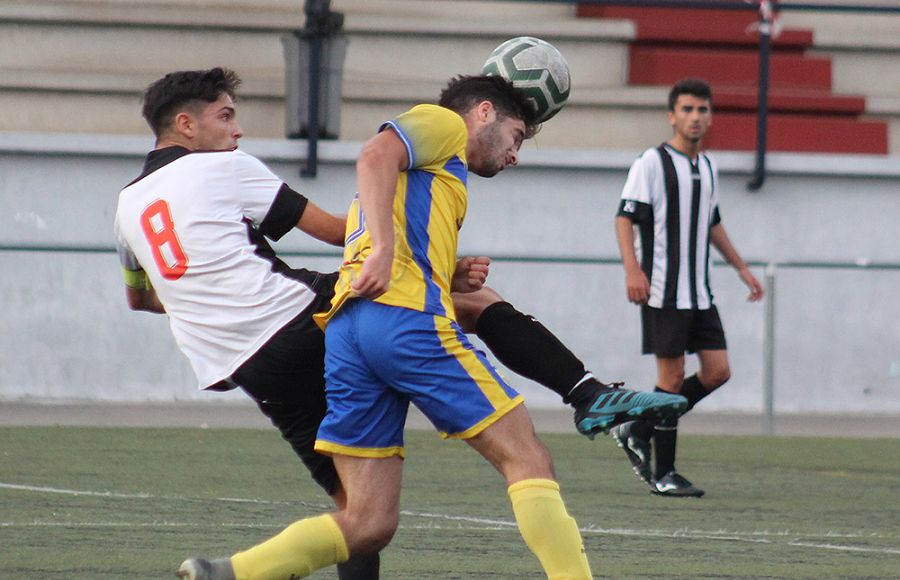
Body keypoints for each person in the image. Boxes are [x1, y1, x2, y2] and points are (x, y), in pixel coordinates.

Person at [115, 68, 685, 580]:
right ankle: (588, 393)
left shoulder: (126, 208)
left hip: (252, 363)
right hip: (306, 317)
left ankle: (231, 575)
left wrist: (428, 264)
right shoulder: (226, 167)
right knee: (513, 415)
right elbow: (349, 218)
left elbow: (144, 301)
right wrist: (386, 250)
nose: (236, 130)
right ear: (185, 124)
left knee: (363, 517)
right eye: (226, 115)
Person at [612, 79, 765, 498]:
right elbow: (624, 218)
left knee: (718, 371)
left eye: (702, 110)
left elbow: (712, 222)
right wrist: (632, 270)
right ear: (671, 115)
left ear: (710, 116)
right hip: (663, 290)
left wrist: (742, 269)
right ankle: (665, 472)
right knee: (672, 377)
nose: (695, 117)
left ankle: (638, 427)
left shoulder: (708, 166)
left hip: (700, 292)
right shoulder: (651, 163)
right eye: (687, 109)